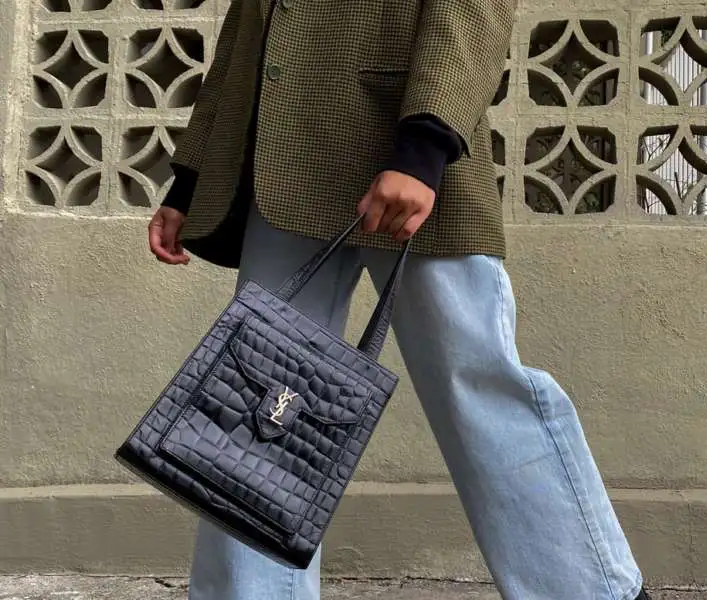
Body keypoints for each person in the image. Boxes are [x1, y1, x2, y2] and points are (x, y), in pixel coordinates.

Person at [147, 0, 652, 598]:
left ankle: (591, 591)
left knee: (475, 383)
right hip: (286, 161)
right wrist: (194, 176)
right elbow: (249, 25)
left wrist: (425, 144)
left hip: (404, 154)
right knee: (260, 398)